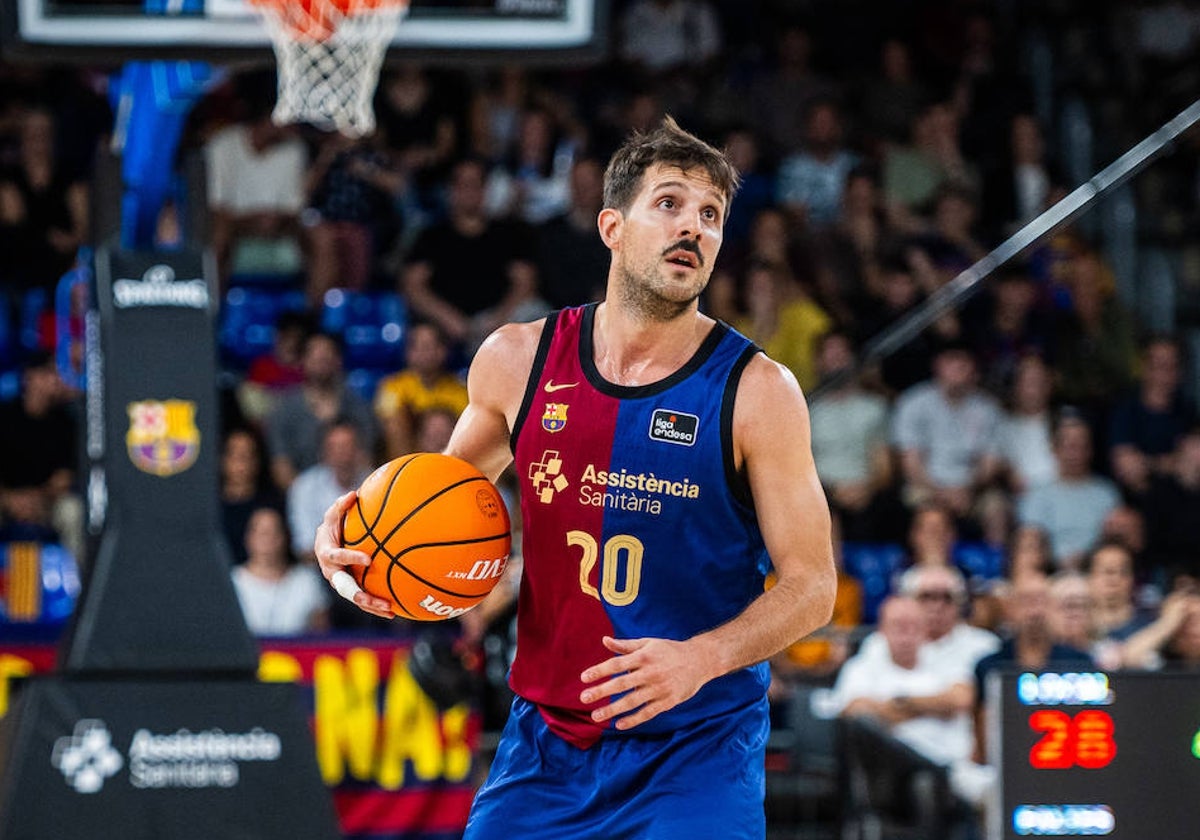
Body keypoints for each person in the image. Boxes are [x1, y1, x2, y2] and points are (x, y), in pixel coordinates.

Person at [313, 117, 837, 838]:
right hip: (548, 744)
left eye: (711, 215)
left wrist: (702, 657)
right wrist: (350, 545)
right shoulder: (518, 360)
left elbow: (813, 587)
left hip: (696, 749)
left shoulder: (759, 391)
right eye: (671, 204)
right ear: (612, 226)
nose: (694, 228)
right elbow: (426, 505)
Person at [231, 506, 330, 636]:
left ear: (285, 537)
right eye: (261, 533)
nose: (267, 539)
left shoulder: (307, 580)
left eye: (273, 532)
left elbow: (323, 638)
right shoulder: (232, 581)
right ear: (248, 538)